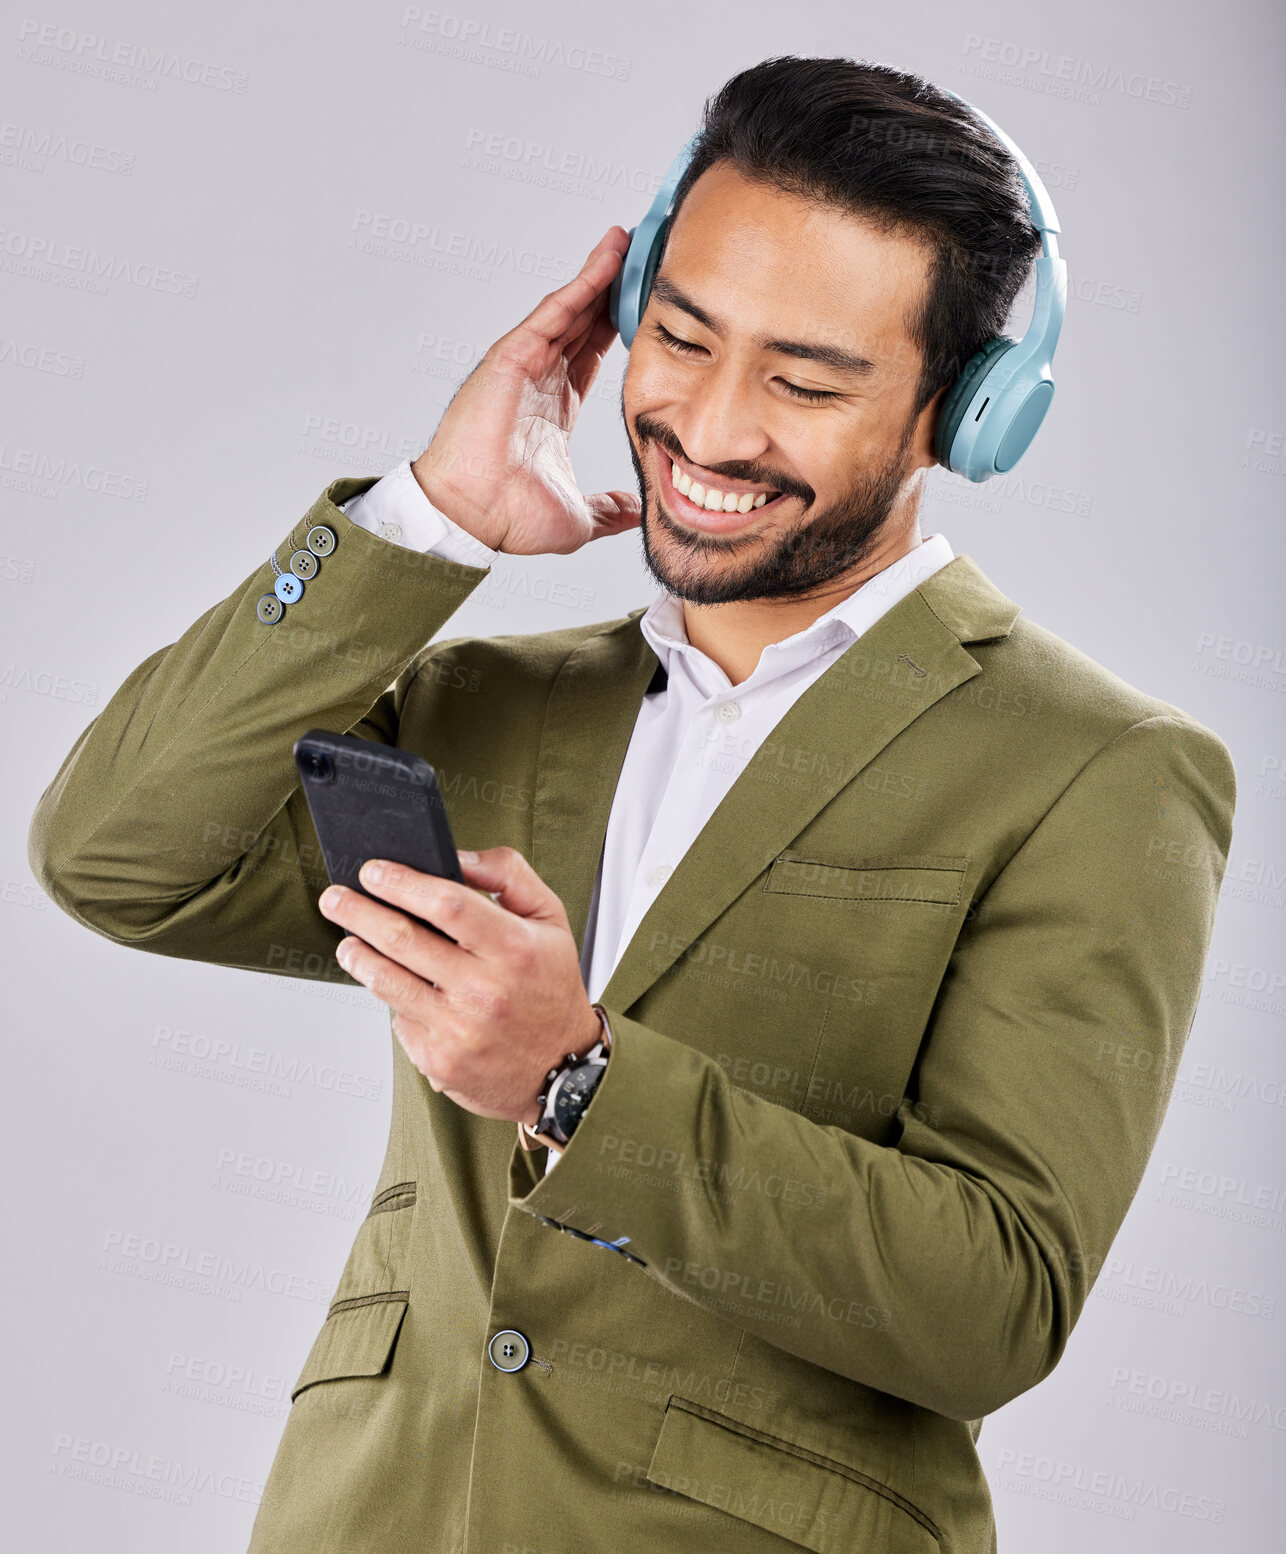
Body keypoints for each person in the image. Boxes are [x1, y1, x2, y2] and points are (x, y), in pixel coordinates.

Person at [28, 56, 1235, 1554]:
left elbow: (993, 1297)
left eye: (804, 382)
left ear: (963, 415)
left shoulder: (1096, 768)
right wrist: (427, 519)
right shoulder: (491, 704)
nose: (712, 427)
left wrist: (577, 1082)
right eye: (678, 335)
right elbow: (117, 858)